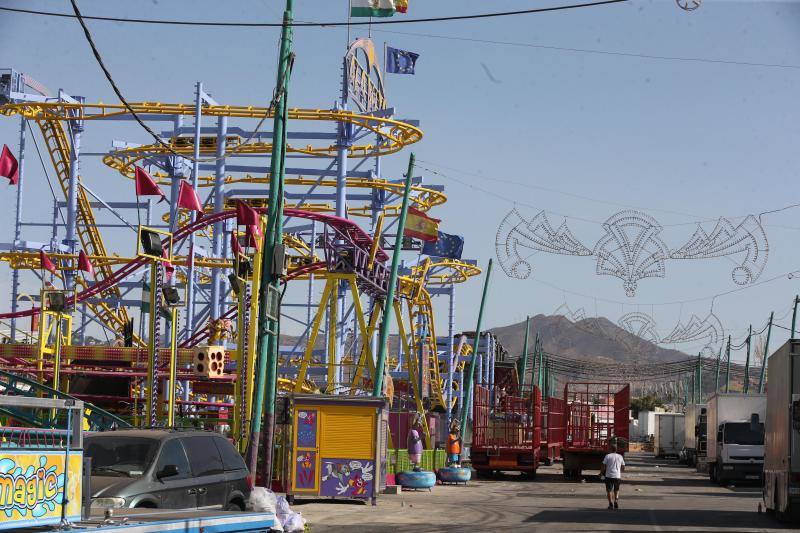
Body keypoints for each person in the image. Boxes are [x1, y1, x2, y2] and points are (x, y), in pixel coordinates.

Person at [600, 443, 625, 509]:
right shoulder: (620, 456)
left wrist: (601, 473)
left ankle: (610, 503)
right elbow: (623, 467)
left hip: (609, 476)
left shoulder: (607, 456)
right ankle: (616, 501)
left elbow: (603, 466)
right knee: (616, 490)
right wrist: (620, 471)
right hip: (617, 476)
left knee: (609, 490)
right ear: (616, 449)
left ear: (610, 449)